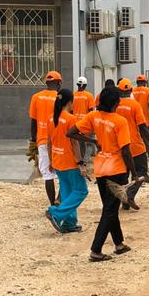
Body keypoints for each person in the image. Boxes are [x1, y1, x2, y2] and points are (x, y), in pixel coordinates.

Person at [70, 85, 138, 262]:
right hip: (116, 171)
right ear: (116, 103)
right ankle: (96, 250)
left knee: (110, 208)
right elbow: (125, 151)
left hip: (101, 169)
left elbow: (71, 133)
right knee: (109, 210)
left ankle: (119, 244)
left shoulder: (93, 116)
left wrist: (92, 140)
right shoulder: (120, 121)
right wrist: (134, 173)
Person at [45, 89, 88, 235]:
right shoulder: (71, 119)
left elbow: (49, 142)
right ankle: (55, 212)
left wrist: (51, 160)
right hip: (70, 162)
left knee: (67, 192)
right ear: (70, 101)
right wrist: (81, 163)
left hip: (57, 161)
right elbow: (75, 144)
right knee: (81, 191)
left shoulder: (51, 118)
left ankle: (70, 223)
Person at [116, 79, 149, 206]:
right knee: (142, 172)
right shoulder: (135, 105)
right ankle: (130, 195)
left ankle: (124, 200)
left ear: (119, 91)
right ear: (131, 90)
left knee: (123, 174)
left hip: (119, 146)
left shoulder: (114, 105)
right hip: (135, 146)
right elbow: (142, 127)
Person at [28, 70, 61, 206]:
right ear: (59, 83)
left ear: (46, 83)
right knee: (63, 173)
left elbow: (33, 121)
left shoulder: (36, 97)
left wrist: (33, 141)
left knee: (48, 175)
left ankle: (52, 204)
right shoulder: (60, 98)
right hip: (59, 141)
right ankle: (59, 199)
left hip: (42, 140)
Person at [132, 75, 149, 171]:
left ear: (137, 82)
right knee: (148, 142)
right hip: (145, 122)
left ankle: (135, 165)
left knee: (135, 143)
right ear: (145, 82)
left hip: (134, 123)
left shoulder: (132, 91)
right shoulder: (148, 91)